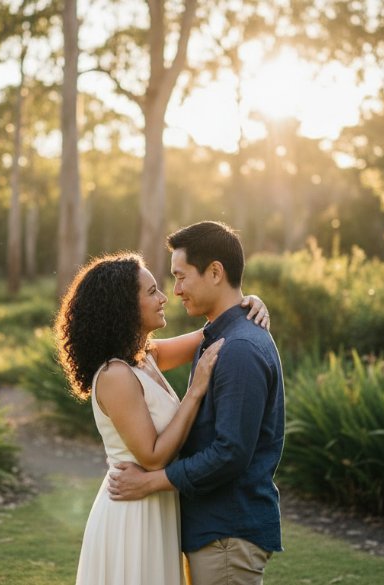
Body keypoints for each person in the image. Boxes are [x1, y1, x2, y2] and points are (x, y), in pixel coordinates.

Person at [54, 251, 271, 585]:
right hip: (132, 512)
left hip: (158, 505)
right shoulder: (115, 375)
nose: (164, 297)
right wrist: (195, 391)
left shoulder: (145, 357)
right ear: (124, 307)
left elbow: (215, 333)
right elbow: (153, 457)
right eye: (152, 291)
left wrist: (248, 303)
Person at [108, 221, 285, 585]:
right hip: (213, 531)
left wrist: (152, 482)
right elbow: (142, 354)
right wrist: (244, 303)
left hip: (227, 533)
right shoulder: (220, 336)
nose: (175, 291)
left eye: (181, 277)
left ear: (215, 272)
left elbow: (230, 453)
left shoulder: (239, 350)